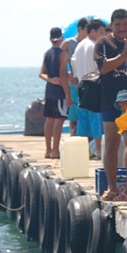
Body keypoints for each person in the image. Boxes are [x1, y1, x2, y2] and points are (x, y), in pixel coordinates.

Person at [94, 9, 127, 201]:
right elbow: (103, 68)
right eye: (117, 25)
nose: (122, 28)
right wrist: (124, 56)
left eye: (125, 24)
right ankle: (112, 187)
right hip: (110, 102)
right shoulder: (103, 43)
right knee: (111, 143)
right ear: (111, 26)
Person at [71, 18, 106, 158]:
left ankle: (85, 152)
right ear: (93, 31)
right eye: (101, 32)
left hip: (81, 85)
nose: (103, 35)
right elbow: (99, 67)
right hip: (94, 85)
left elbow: (73, 66)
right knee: (96, 121)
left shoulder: (80, 46)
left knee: (83, 123)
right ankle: (98, 151)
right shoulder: (94, 46)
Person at [39, 27, 72, 159]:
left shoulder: (47, 53)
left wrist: (50, 80)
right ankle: (55, 151)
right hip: (59, 91)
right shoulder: (63, 54)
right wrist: (68, 94)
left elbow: (41, 73)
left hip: (49, 90)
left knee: (50, 119)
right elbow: (62, 75)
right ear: (61, 38)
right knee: (59, 120)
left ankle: (48, 150)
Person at [61, 16, 89, 136]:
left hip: (85, 83)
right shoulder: (69, 43)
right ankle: (73, 136)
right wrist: (68, 74)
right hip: (73, 84)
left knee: (85, 113)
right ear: (80, 28)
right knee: (73, 115)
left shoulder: (89, 43)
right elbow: (60, 63)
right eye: (86, 29)